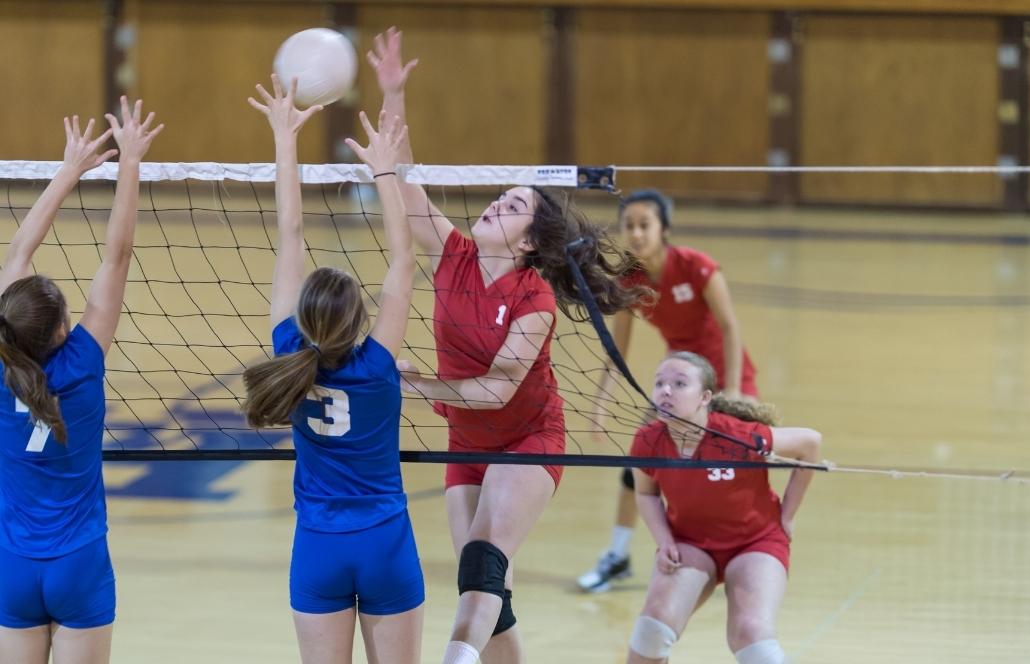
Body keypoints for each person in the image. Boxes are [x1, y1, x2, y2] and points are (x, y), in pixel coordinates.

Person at [366, 27, 644, 664]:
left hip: (526, 437)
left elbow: (495, 391)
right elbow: (405, 178)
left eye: (513, 204)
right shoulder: (453, 254)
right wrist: (393, 93)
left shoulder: (535, 300)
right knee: (490, 590)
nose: (496, 203)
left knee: (483, 562)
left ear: (526, 242)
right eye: (500, 196)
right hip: (467, 441)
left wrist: (414, 383)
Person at [241, 75, 422, 664]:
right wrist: (383, 170)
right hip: (386, 543)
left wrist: (285, 138)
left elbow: (290, 232)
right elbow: (405, 256)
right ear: (361, 320)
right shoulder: (377, 365)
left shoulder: (286, 349)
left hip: (317, 546)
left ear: (305, 317)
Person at [0, 100, 161, 663]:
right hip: (78, 563)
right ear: (64, 326)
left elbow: (17, 251)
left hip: (14, 565)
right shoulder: (83, 362)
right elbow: (118, 256)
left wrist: (68, 170)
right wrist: (127, 162)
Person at [580, 189, 760, 593]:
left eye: (646, 225)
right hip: (679, 381)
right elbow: (616, 350)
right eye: (630, 226)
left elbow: (730, 328)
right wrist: (600, 403)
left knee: (734, 464)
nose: (637, 233)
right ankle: (619, 554)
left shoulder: (697, 267)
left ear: (664, 230)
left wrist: (733, 391)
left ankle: (741, 552)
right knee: (638, 462)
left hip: (724, 376)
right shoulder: (629, 282)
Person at [626, 352, 820, 664]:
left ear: (705, 397)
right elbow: (646, 494)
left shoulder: (740, 437)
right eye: (659, 383)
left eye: (679, 383)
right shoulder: (647, 441)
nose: (666, 390)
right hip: (690, 543)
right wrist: (664, 541)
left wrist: (788, 516)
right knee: (651, 629)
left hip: (754, 543)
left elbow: (810, 443)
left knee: (751, 635)